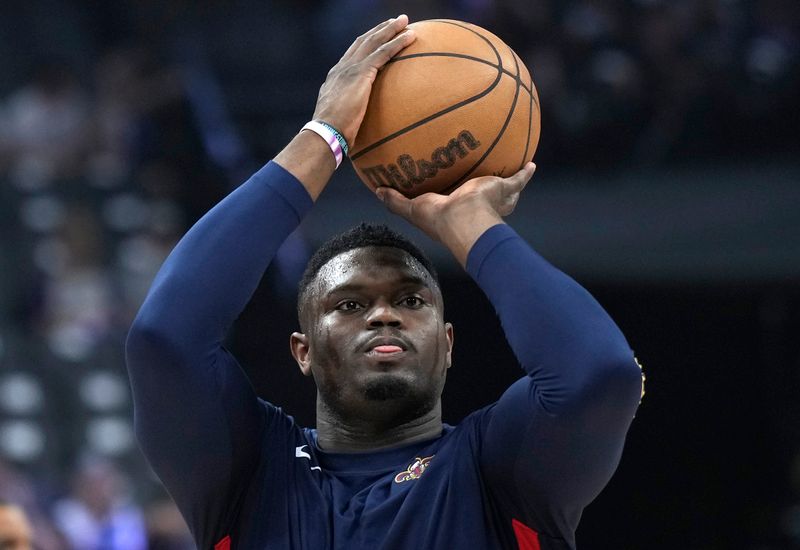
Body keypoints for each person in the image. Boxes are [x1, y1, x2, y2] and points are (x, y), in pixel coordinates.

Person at [125, 15, 644, 550]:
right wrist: (323, 137)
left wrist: (471, 226)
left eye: (411, 299)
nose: (382, 314)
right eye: (349, 303)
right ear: (302, 351)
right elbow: (165, 341)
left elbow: (598, 375)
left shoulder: (497, 472)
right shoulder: (251, 474)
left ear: (446, 344)